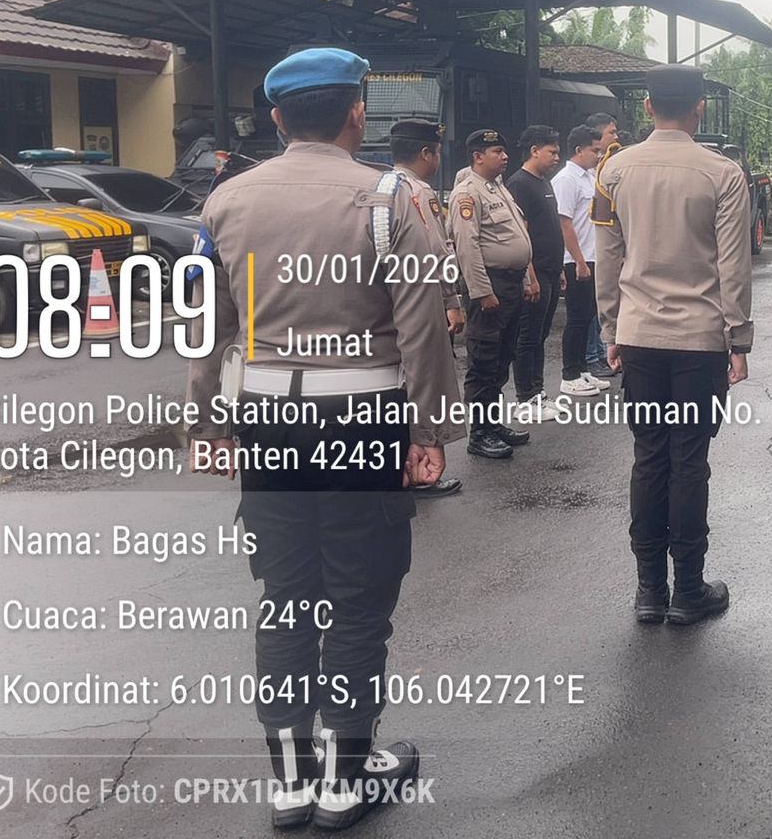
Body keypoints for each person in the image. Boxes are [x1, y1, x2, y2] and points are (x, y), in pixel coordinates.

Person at [187, 49, 458, 829]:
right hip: (363, 417)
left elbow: (205, 328)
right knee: (358, 599)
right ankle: (345, 776)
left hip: (267, 418)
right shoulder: (394, 197)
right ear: (356, 115)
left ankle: (290, 782)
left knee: (285, 600)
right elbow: (422, 328)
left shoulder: (226, 201)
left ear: (276, 118)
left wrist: (207, 424)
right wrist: (429, 430)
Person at [595, 64, 752, 626]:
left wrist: (611, 329)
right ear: (700, 107)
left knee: (648, 457)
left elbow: (607, 257)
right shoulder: (723, 173)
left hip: (639, 336)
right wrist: (739, 338)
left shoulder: (612, 171)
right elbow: (733, 265)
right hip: (699, 341)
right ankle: (688, 590)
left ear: (646, 107)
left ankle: (648, 590)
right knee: (688, 460)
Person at [388, 118, 467, 498]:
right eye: (436, 152)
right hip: (422, 300)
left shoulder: (384, 187)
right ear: (426, 153)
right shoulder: (419, 192)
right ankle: (417, 467)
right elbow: (438, 252)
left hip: (392, 302)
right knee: (420, 384)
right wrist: (451, 301)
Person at [451, 128, 539, 458]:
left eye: (504, 151)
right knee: (484, 360)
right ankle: (479, 433)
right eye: (497, 152)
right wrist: (481, 292)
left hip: (510, 283)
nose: (505, 157)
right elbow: (467, 247)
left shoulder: (497, 188)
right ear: (478, 157)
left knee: (502, 357)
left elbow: (516, 237)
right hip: (490, 284)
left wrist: (527, 278)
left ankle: (492, 423)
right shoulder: (467, 194)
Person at [506, 125, 565, 407]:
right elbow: (522, 233)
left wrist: (559, 269)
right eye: (552, 152)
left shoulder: (544, 182)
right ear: (534, 151)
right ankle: (525, 395)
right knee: (528, 336)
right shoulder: (520, 184)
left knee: (541, 334)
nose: (557, 158)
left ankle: (539, 391)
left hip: (551, 271)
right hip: (535, 272)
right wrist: (530, 277)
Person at [551, 124, 611, 398]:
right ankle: (569, 374)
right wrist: (579, 261)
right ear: (578, 150)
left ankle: (582, 368)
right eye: (594, 150)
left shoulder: (589, 177)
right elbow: (564, 223)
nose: (598, 155)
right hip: (576, 259)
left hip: (592, 255)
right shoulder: (566, 179)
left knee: (588, 315)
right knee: (576, 318)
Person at [584, 114, 621, 373]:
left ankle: (596, 354)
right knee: (586, 315)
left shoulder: (600, 171)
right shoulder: (591, 175)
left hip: (598, 254)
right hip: (587, 255)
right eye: (611, 133)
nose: (615, 137)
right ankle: (588, 359)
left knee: (593, 314)